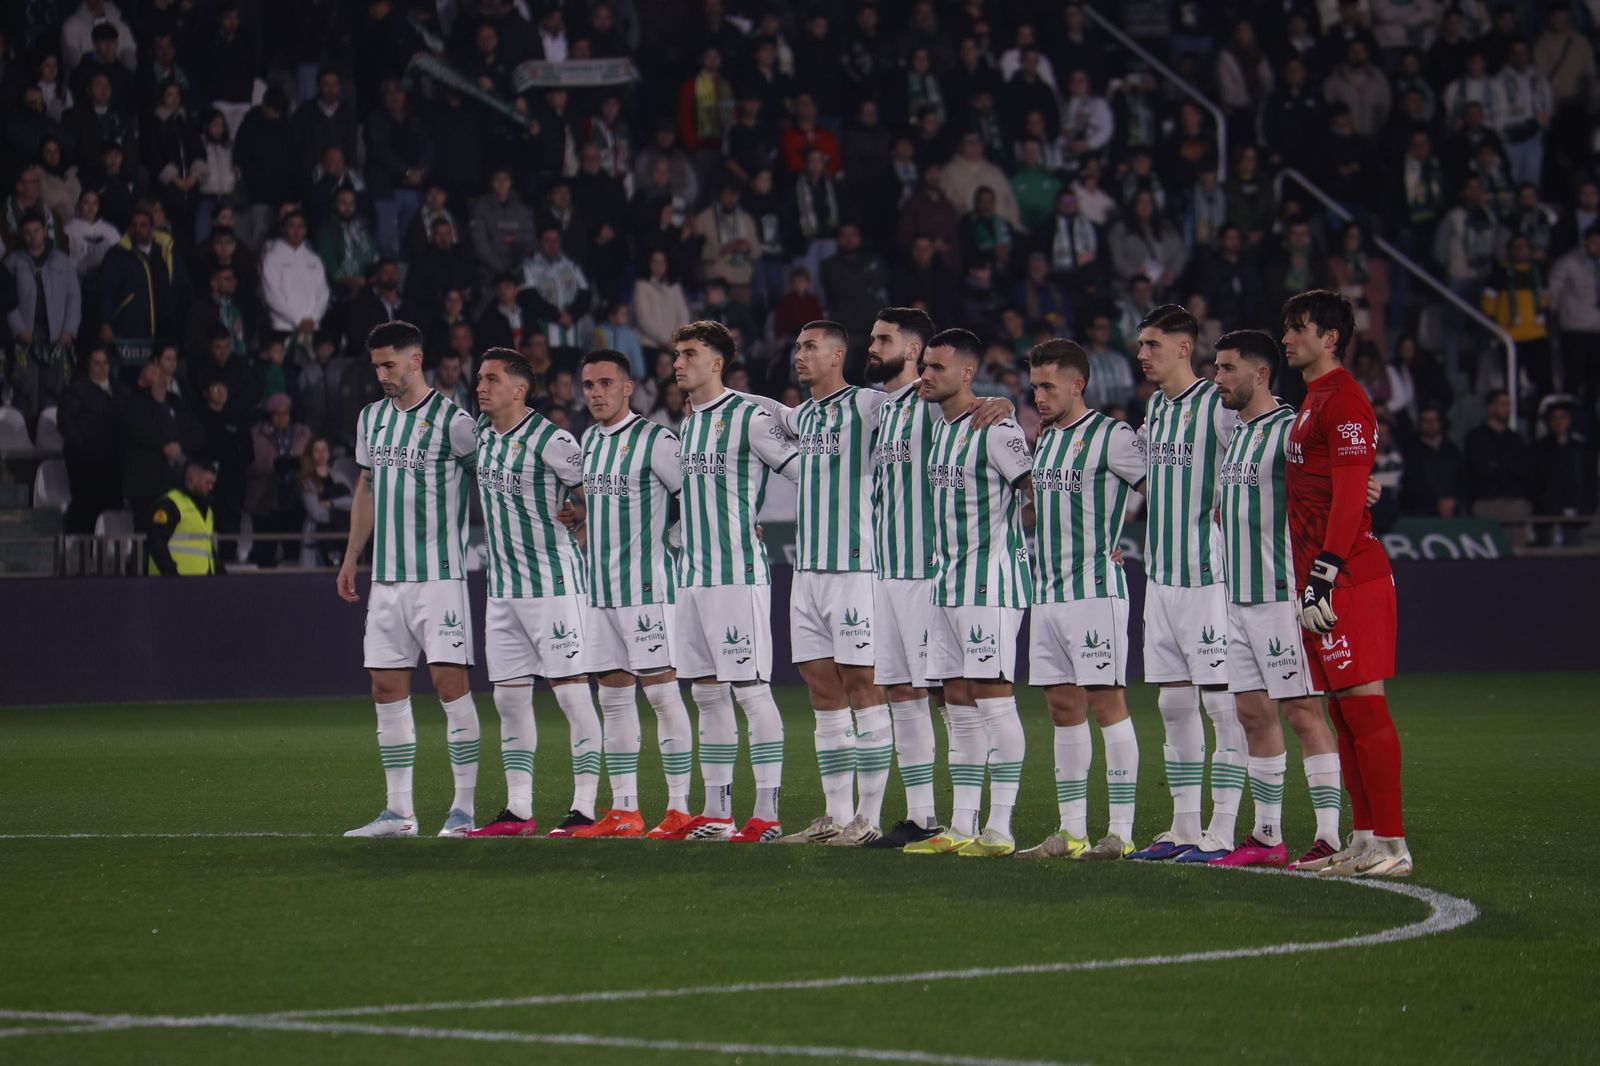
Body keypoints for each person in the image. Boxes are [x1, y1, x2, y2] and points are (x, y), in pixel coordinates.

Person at [1280, 290, 1410, 877]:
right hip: (1325, 577)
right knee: (1343, 715)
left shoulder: (1347, 401)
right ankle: (1364, 837)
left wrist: (1325, 575)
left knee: (1366, 711)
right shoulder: (1314, 401)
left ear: (1329, 337)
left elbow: (1353, 494)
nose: (1288, 339)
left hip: (1349, 576)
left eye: (1298, 329)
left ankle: (1394, 844)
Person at [337, 321, 482, 840]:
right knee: (385, 686)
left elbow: (487, 479)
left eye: (389, 364)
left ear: (416, 360)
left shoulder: (454, 422)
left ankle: (463, 811)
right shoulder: (371, 419)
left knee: (449, 686)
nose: (381, 374)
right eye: (376, 365)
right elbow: (367, 487)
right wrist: (352, 555)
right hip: (387, 581)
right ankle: (399, 813)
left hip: (439, 580)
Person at [545, 350, 697, 839]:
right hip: (601, 592)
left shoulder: (656, 441)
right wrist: (582, 518)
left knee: (663, 699)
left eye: (606, 383)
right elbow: (608, 505)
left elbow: (691, 500)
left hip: (648, 592)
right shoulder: (590, 441)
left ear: (628, 388)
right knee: (613, 702)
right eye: (588, 385)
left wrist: (673, 546)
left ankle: (678, 808)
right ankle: (625, 810)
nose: (596, 393)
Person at [455, 349, 607, 839]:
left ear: (518, 390)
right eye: (479, 377)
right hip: (502, 591)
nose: (480, 386)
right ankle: (518, 810)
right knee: (509, 700)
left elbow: (597, 490)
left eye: (491, 379)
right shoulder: (480, 435)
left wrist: (582, 514)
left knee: (571, 696)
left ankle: (584, 808)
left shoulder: (552, 439)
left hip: (554, 586)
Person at [1209, 331, 1344, 869]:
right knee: (1250, 712)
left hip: (1281, 597)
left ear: (1260, 374)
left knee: (1304, 711)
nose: (1217, 379)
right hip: (1238, 600)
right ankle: (1268, 838)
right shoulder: (1238, 432)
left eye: (1226, 369)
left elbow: (1339, 481)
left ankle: (1331, 837)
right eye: (1216, 369)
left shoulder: (1289, 431)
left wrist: (1367, 486)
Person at [667, 320, 799, 842]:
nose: (678, 362)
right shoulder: (690, 422)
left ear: (717, 362)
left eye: (690, 353)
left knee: (751, 691)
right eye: (677, 354)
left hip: (736, 574)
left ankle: (766, 814)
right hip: (692, 575)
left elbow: (803, 471)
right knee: (706, 695)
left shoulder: (748, 416)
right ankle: (717, 811)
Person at [902, 328, 1032, 858]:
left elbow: (1036, 491)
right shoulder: (945, 427)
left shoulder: (997, 429)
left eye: (936, 367)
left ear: (968, 373)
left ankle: (1000, 830)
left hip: (990, 586)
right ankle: (960, 825)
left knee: (994, 703)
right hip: (947, 583)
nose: (925, 375)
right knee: (955, 703)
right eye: (924, 366)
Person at [1125, 305, 1246, 865]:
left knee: (1223, 707)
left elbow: (1271, 448)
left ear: (1182, 348)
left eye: (1151, 344)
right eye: (1140, 345)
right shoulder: (1155, 409)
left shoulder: (1218, 408)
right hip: (1162, 577)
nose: (1141, 354)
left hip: (1208, 579)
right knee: (1174, 706)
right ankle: (1183, 829)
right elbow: (1139, 484)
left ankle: (1222, 832)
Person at [1015, 339, 1145, 862]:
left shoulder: (1112, 437)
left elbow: (1168, 489)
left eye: (1048, 386)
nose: (1039, 396)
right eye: (1034, 387)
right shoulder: (1044, 441)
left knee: (1106, 704)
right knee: (1062, 707)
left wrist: (1125, 542)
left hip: (1094, 591)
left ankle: (1121, 831)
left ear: (1078, 384)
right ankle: (1070, 833)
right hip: (1046, 594)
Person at [5, 212, 80, 423]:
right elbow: (6, 301)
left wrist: (69, 330)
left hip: (56, 334)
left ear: (45, 231)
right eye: (27, 233)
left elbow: (74, 298)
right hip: (25, 335)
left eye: (36, 231)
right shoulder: (12, 262)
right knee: (25, 387)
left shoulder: (62, 261)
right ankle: (24, 439)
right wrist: (19, 329)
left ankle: (52, 435)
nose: (33, 236)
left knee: (55, 387)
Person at [120, 361, 204, 525]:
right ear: (141, 381)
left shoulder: (176, 402)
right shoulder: (134, 403)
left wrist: (180, 445)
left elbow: (198, 432)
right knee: (148, 531)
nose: (159, 376)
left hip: (178, 480)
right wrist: (163, 446)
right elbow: (138, 431)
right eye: (153, 373)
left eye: (160, 372)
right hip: (147, 483)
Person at [58, 345, 127, 533]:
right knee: (87, 509)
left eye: (105, 363)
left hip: (114, 462)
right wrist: (82, 444)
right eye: (96, 363)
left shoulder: (120, 390)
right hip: (86, 462)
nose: (102, 367)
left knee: (112, 507)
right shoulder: (76, 390)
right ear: (88, 365)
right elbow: (66, 422)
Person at [1549, 224, 1600, 402]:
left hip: (1597, 328)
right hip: (1574, 327)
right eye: (1594, 242)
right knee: (1574, 376)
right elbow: (1553, 293)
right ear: (1585, 241)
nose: (1598, 247)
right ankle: (1570, 413)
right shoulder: (1568, 262)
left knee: (1595, 377)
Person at [260, 211, 329, 340]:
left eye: (300, 226)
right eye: (291, 226)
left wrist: (313, 318)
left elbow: (323, 292)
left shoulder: (313, 259)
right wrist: (297, 320)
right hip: (283, 326)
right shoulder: (272, 257)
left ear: (305, 230)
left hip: (312, 326)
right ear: (283, 229)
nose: (296, 231)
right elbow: (271, 295)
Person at [145, 458, 220, 576]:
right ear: (192, 479)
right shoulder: (170, 504)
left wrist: (219, 571)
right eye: (207, 482)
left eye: (212, 484)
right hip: (173, 583)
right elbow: (156, 541)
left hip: (200, 580)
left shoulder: (206, 509)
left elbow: (206, 545)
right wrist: (171, 573)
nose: (210, 487)